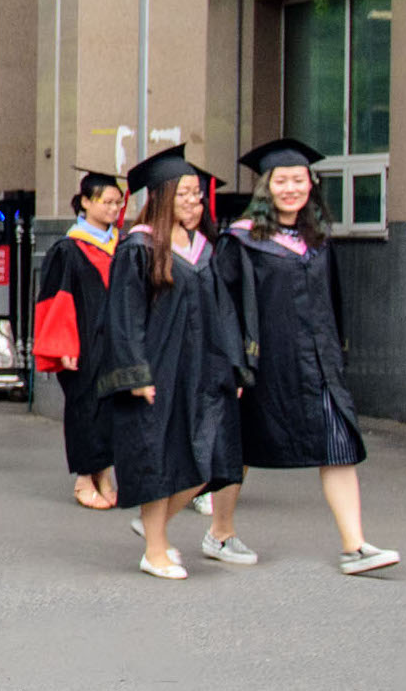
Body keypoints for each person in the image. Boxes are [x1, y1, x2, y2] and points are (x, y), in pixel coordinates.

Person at [210, 138, 397, 576]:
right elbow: (223, 306)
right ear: (267, 187)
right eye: (282, 181)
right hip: (263, 364)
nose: (292, 188)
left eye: (299, 180)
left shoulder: (317, 240)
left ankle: (355, 546)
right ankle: (219, 531)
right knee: (241, 448)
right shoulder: (242, 240)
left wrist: (336, 355)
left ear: (310, 185)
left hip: (317, 365)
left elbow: (332, 302)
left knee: (339, 445)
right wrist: (232, 363)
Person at [100, 148, 242, 579]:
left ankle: (153, 528)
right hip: (158, 372)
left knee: (206, 460)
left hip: (201, 370)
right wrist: (136, 374)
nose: (192, 201)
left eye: (197, 194)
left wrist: (233, 366)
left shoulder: (203, 248)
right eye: (183, 193)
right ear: (162, 196)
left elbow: (223, 312)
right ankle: (155, 549)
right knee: (159, 460)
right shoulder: (139, 247)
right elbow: (124, 317)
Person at [32, 170, 126, 509]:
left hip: (115, 340)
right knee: (87, 407)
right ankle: (84, 477)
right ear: (85, 202)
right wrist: (63, 347)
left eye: (118, 202)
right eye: (106, 201)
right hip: (81, 343)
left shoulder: (122, 245)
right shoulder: (68, 249)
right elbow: (56, 300)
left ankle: (105, 472)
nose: (114, 208)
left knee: (113, 406)